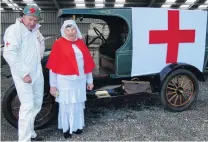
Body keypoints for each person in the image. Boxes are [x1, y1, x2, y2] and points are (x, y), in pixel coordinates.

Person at [46, 20, 95, 139]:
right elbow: (53, 67)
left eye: (73, 29)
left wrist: (90, 80)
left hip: (79, 80)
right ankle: (66, 128)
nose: (70, 32)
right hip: (65, 80)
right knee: (66, 104)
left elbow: (87, 64)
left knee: (78, 103)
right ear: (64, 30)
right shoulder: (58, 44)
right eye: (67, 30)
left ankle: (77, 127)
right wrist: (53, 85)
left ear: (76, 29)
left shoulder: (81, 43)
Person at [3, 5, 45, 141]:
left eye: (35, 20)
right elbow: (9, 54)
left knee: (37, 103)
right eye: (30, 19)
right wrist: (24, 73)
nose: (32, 22)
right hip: (24, 76)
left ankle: (31, 132)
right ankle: (24, 139)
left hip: (37, 73)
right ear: (23, 17)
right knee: (27, 106)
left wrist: (39, 57)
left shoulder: (35, 31)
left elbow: (41, 43)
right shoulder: (14, 30)